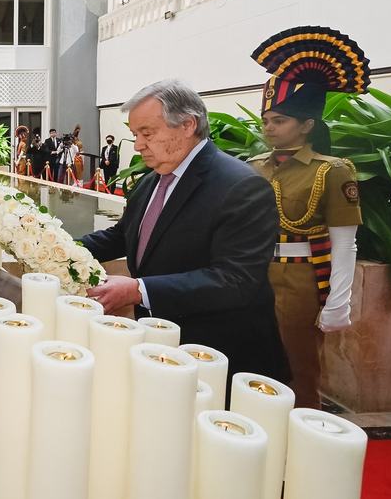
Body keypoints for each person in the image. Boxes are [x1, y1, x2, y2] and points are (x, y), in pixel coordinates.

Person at [81, 79, 290, 382]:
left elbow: (236, 279)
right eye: (135, 134)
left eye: (147, 133)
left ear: (187, 125)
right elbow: (121, 237)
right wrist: (56, 245)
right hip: (162, 344)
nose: (138, 145)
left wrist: (139, 290)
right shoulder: (152, 180)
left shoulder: (242, 186)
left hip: (219, 354)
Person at [246, 26, 368, 408]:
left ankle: (302, 435)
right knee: (252, 360)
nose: (269, 128)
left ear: (307, 125)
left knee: (299, 366)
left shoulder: (332, 170)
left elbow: (345, 240)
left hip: (301, 279)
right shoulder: (253, 167)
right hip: (253, 273)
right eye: (267, 120)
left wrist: (338, 302)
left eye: (279, 121)